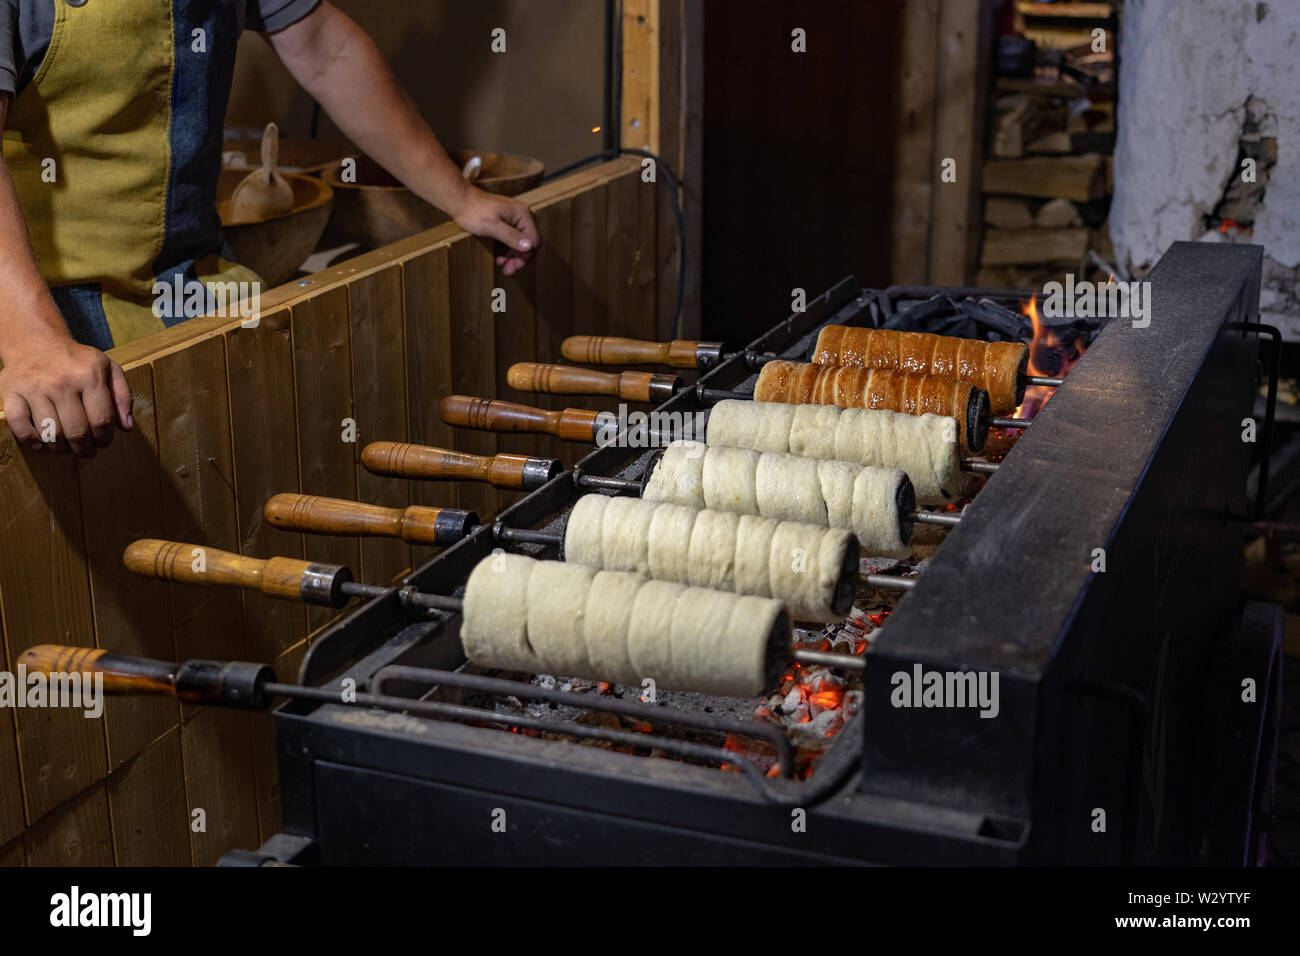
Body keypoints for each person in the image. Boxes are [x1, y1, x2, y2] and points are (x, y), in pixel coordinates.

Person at [0, 0, 539, 457]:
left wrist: (459, 196)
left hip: (194, 293)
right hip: (42, 335)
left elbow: (327, 50)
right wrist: (32, 341)